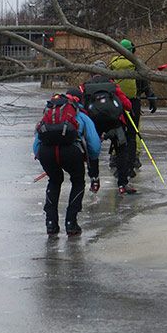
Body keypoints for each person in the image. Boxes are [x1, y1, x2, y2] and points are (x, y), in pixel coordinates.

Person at [33, 88, 101, 237]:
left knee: (54, 181)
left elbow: (36, 144)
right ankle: (71, 223)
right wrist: (91, 158)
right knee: (77, 182)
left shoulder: (49, 113)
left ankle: (51, 224)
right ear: (80, 100)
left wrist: (41, 156)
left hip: (47, 152)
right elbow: (95, 145)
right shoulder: (81, 115)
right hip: (72, 152)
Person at [81, 61, 135, 194]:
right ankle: (122, 184)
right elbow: (127, 105)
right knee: (121, 151)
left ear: (91, 72)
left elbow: (81, 107)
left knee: (93, 152)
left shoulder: (85, 86)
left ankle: (94, 181)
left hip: (94, 124)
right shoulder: (112, 85)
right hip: (114, 123)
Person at [109, 39, 157, 169]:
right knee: (133, 132)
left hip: (116, 103)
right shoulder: (136, 63)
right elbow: (145, 83)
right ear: (132, 50)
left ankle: (114, 157)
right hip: (133, 102)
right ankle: (133, 159)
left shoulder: (113, 63)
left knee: (116, 129)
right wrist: (151, 98)